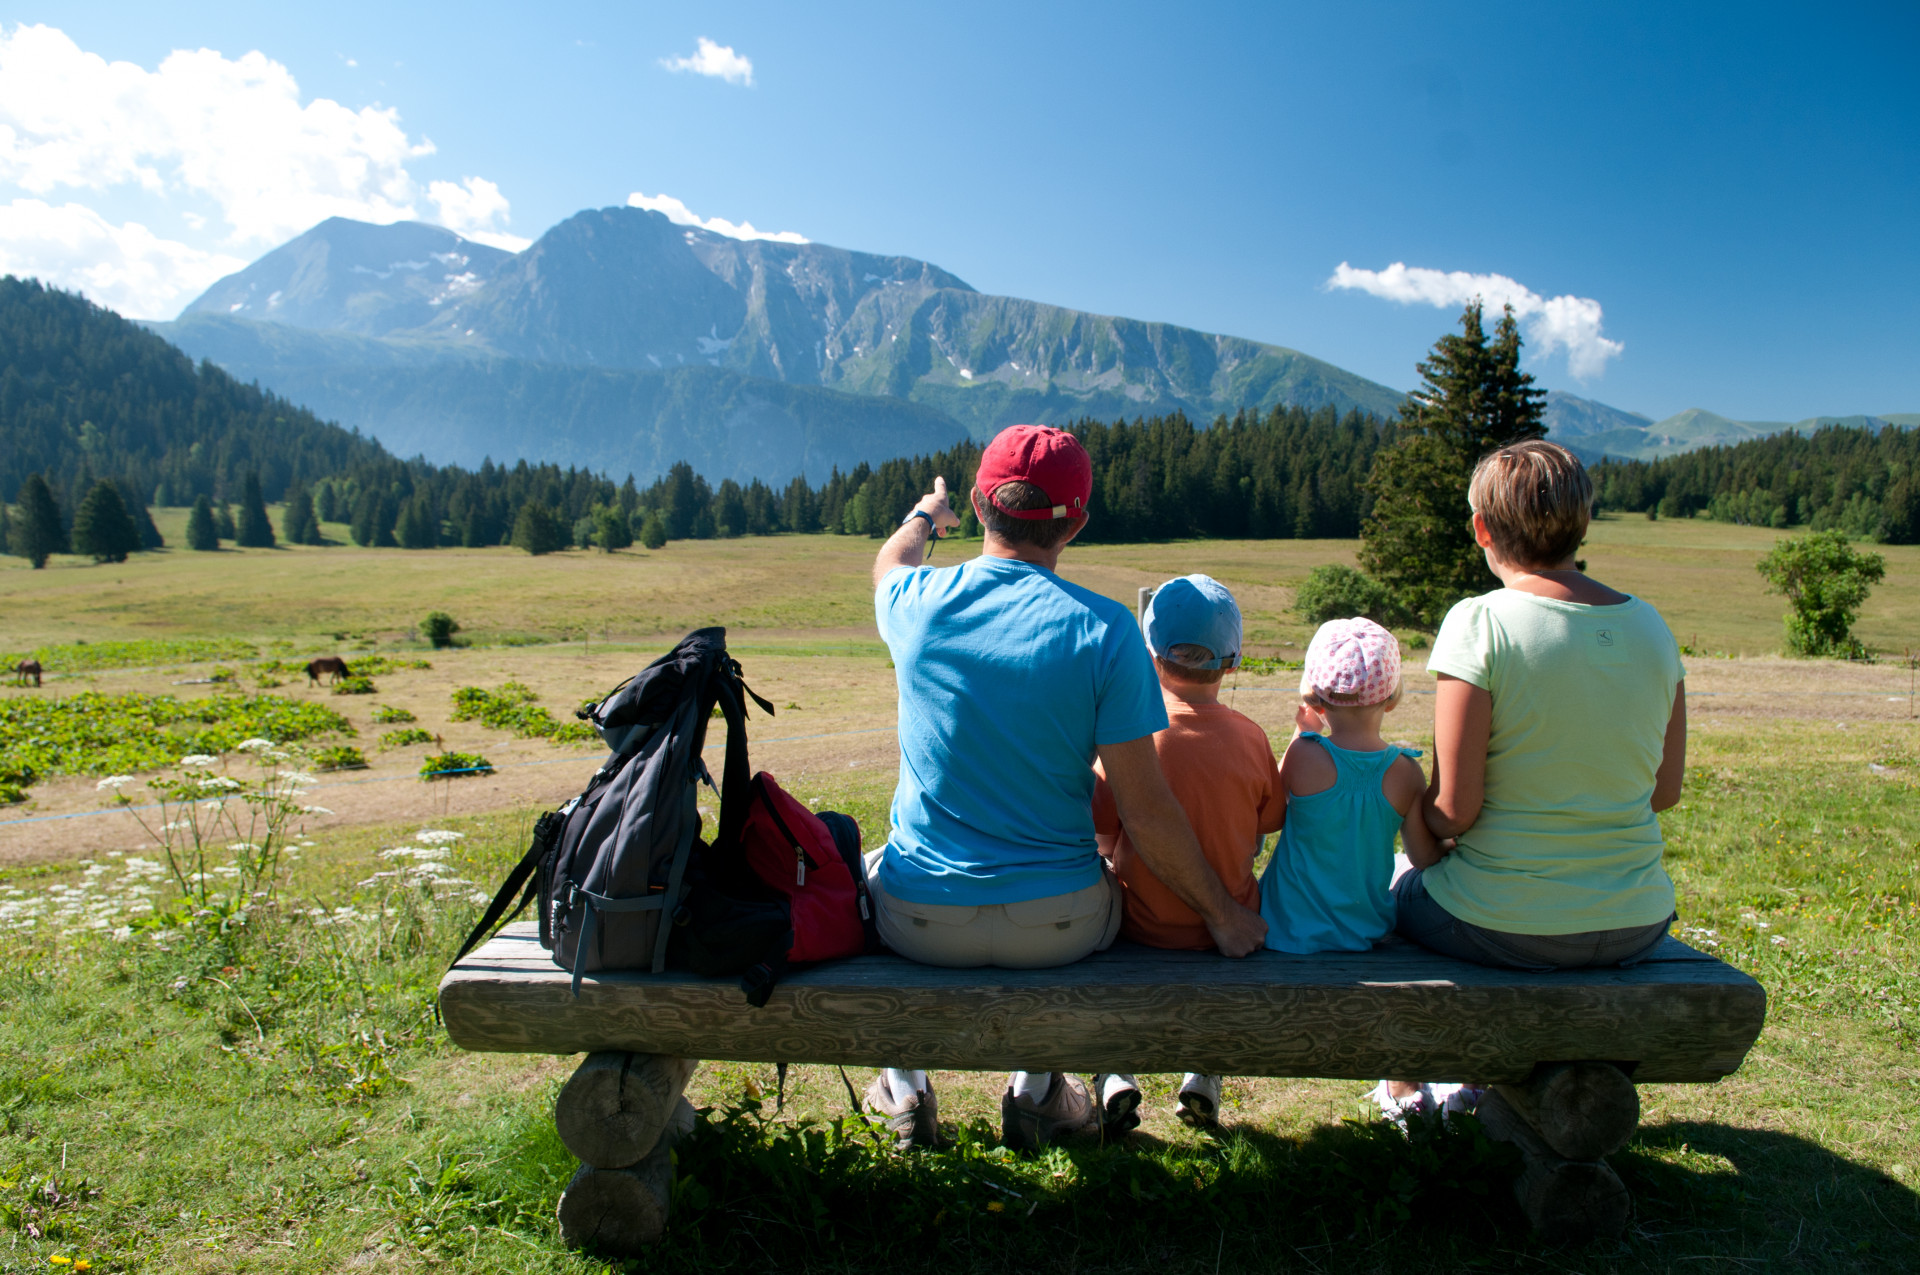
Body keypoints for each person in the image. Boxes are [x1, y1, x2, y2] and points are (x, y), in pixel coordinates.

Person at [862, 425, 1268, 1152]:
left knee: (869, 863)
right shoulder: (1108, 629)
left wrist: (928, 515)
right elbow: (1145, 810)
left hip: (919, 919)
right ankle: (1039, 1087)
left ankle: (905, 1086)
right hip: (1060, 926)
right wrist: (1221, 913)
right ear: (1076, 522)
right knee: (1101, 871)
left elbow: (889, 559)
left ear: (984, 505)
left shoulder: (914, 599)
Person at [1385, 439, 1687, 1117]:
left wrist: (1417, 814)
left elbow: (1455, 808)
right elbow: (1663, 791)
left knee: (1391, 890)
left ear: (1483, 529)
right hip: (1638, 917)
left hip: (1503, 921)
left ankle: (1404, 1083)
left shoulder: (1480, 622)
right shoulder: (1652, 627)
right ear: (1583, 522)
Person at [1088, 575, 1285, 1132]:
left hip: (1140, 927)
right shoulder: (1251, 738)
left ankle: (1114, 1074)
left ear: (1151, 655)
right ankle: (1203, 1076)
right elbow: (1268, 821)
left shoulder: (1131, 741)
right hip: (1228, 926)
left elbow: (1102, 834)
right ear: (1233, 663)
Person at [1259, 616, 1439, 956]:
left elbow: (1272, 811)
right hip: (1363, 930)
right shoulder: (1406, 771)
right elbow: (1423, 856)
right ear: (1392, 698)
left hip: (1284, 927)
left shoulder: (1304, 755)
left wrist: (1301, 732)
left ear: (1316, 696)